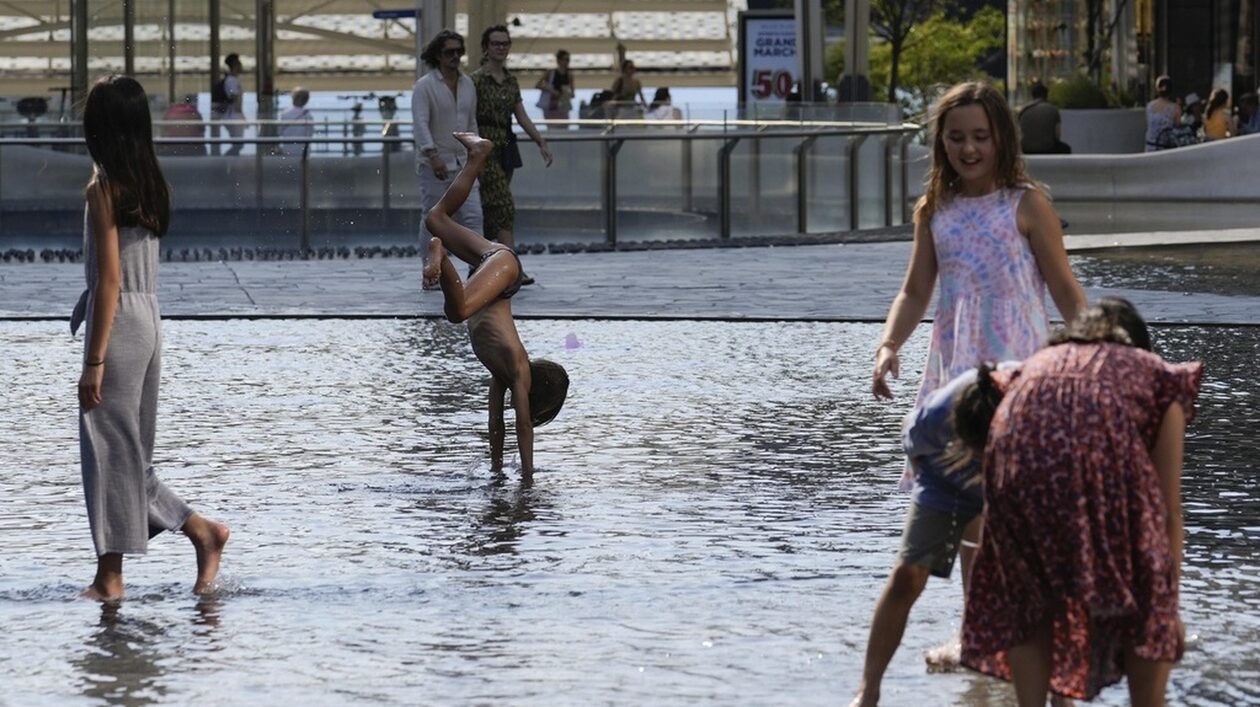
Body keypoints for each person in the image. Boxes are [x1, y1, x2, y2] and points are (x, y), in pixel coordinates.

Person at [869, 80, 1085, 668]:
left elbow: (1065, 291)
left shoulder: (1026, 204)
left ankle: (1023, 629)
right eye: (957, 137)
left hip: (1019, 379)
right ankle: (980, 632)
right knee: (972, 508)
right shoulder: (935, 211)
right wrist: (889, 344)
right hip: (956, 384)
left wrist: (1105, 353)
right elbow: (916, 291)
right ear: (940, 142)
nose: (969, 149)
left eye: (980, 138)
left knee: (1008, 511)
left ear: (1001, 139)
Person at [957, 298, 1200, 705]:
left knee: (1030, 600)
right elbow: (1167, 510)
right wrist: (1168, 609)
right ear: (1141, 345)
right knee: (1149, 591)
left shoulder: (1036, 363)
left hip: (1014, 464)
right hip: (1086, 461)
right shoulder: (1159, 376)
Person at [71, 75, 230, 601]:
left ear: (102, 128)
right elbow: (126, 273)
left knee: (108, 452)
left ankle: (115, 575)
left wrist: (93, 361)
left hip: (117, 326)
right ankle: (195, 537)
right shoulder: (150, 181)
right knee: (128, 455)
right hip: (148, 320)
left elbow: (111, 279)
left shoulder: (102, 187)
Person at [849, 361, 1015, 707]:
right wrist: (946, 510)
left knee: (1028, 581)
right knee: (907, 575)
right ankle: (869, 690)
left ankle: (1057, 695)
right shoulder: (937, 417)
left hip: (1015, 474)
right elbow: (915, 452)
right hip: (945, 474)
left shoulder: (1038, 404)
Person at [421, 132, 569, 475]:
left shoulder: (499, 375)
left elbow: (495, 422)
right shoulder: (518, 371)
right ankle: (440, 258)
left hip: (496, 262)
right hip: (504, 269)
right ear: (538, 398)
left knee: (436, 218)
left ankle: (478, 154)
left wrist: (498, 469)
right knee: (457, 312)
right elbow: (522, 427)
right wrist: (528, 477)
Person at [472, 24, 554, 284]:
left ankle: (484, 264)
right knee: (504, 205)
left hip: (505, 147)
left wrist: (540, 141)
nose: (501, 48)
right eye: (496, 43)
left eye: (505, 44)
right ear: (485, 48)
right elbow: (467, 116)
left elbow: (521, 115)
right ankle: (513, 269)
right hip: (485, 149)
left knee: (493, 209)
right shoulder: (475, 81)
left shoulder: (510, 81)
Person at [412, 29, 483, 282]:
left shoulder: (468, 85)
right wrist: (432, 155)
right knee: (433, 219)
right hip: (436, 163)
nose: (455, 56)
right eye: (449, 52)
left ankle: (478, 272)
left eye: (458, 51)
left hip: (464, 163)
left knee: (474, 216)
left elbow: (470, 121)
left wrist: (477, 154)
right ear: (438, 55)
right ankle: (430, 270)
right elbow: (420, 123)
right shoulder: (425, 86)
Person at [1018, 81, 1069, 154]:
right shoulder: (1053, 109)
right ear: (1046, 95)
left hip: (1026, 150)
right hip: (1047, 149)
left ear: (1033, 96)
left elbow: (1019, 134)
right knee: (1066, 148)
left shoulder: (1024, 110)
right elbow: (1057, 135)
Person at [211, 53, 246, 156]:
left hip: (233, 116)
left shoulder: (232, 80)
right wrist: (242, 117)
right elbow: (235, 100)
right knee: (238, 144)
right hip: (233, 116)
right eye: (239, 64)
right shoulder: (232, 81)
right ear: (235, 66)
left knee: (238, 144)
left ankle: (231, 164)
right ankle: (226, 163)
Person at [1145, 75, 1181, 152]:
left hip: (1150, 146)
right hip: (1165, 148)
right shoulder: (1175, 108)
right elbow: (1178, 126)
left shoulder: (1149, 106)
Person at [535, 49, 573, 121]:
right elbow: (538, 85)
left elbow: (572, 94)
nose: (567, 62)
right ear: (559, 60)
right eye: (565, 59)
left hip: (563, 106)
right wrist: (551, 90)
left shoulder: (569, 75)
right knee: (552, 128)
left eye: (568, 60)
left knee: (564, 127)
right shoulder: (550, 72)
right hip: (550, 106)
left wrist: (566, 93)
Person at [278, 87, 314, 157]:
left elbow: (280, 131)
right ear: (306, 100)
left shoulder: (285, 114)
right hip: (303, 150)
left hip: (287, 149)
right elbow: (310, 133)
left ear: (293, 98)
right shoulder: (308, 115)